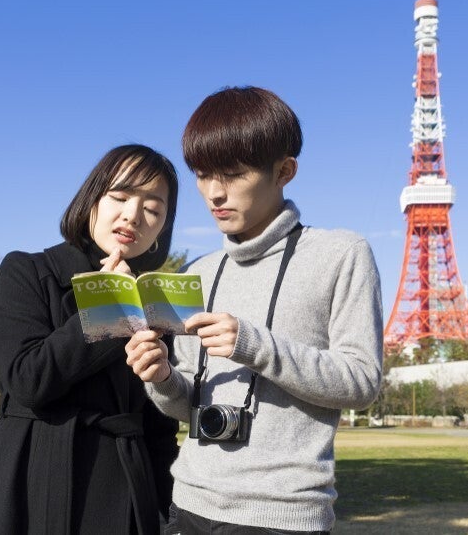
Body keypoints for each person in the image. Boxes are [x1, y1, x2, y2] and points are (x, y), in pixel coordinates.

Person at [126, 86, 384, 533]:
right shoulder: (197, 272)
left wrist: (254, 345)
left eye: (233, 174)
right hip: (188, 505)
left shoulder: (341, 254)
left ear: (284, 171)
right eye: (203, 175)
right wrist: (162, 377)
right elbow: (186, 406)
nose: (214, 193)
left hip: (283, 515)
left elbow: (361, 381)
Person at [0, 144, 181, 535]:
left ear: (161, 230)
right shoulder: (28, 271)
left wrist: (175, 515)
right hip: (34, 478)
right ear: (91, 199)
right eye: (120, 197)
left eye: (153, 209)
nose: (133, 215)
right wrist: (112, 301)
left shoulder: (157, 302)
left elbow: (159, 430)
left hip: (126, 490)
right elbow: (27, 381)